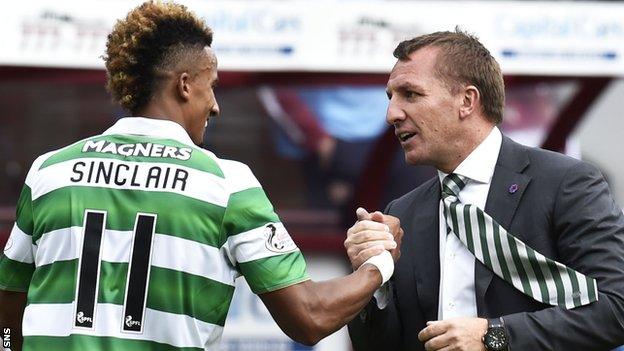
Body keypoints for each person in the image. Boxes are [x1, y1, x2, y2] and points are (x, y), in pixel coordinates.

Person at [0, 2, 402, 350]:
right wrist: (380, 264)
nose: (215, 107)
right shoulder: (226, 184)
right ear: (185, 85)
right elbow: (309, 317)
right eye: (213, 87)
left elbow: (7, 312)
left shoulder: (49, 171)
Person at [346, 29, 624, 351]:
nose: (392, 114)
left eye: (410, 94)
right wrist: (371, 277)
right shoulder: (401, 213)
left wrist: (493, 336)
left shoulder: (565, 184)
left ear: (467, 101)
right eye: (391, 97)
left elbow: (617, 307)